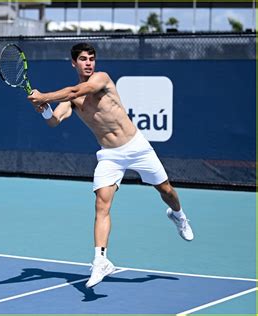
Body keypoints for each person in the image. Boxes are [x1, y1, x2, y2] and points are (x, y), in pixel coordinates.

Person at [27, 43, 194, 289]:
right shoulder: (72, 101)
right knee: (101, 204)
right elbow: (55, 120)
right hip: (109, 156)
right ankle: (101, 260)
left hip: (136, 146)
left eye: (91, 59)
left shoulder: (101, 79)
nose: (88, 63)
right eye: (83, 59)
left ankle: (178, 216)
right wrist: (43, 109)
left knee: (166, 190)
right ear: (73, 62)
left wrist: (45, 96)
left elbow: (74, 90)